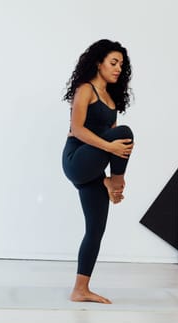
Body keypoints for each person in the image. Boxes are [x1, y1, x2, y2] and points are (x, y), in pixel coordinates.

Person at [62, 39, 134, 304]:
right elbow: (78, 130)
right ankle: (116, 183)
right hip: (75, 159)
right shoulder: (86, 90)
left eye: (121, 65)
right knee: (124, 134)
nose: (118, 69)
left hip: (93, 166)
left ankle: (80, 289)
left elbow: (110, 139)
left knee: (95, 230)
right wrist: (111, 151)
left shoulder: (111, 98)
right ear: (98, 63)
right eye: (113, 63)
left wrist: (110, 156)